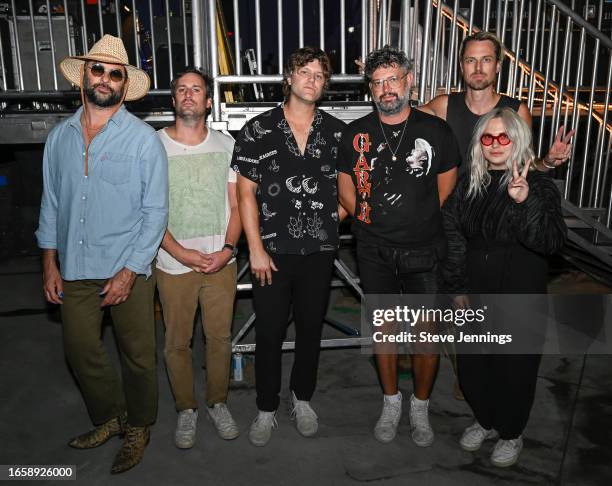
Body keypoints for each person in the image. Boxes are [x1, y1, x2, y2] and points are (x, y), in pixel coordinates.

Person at [36, 35, 168, 474]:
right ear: (85, 75)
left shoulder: (144, 140)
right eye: (98, 69)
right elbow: (52, 203)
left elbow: (155, 213)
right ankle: (111, 417)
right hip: (73, 266)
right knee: (79, 349)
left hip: (127, 265)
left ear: (125, 83)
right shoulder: (59, 138)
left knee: (137, 355)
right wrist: (49, 261)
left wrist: (131, 271)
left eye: (116, 73)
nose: (106, 79)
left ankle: (139, 426)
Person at [337, 46, 460, 447]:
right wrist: (371, 221)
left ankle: (420, 407)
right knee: (384, 332)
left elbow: (444, 186)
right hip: (372, 251)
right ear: (369, 88)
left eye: (393, 79)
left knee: (426, 337)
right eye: (378, 82)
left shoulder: (436, 131)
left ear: (409, 80)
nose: (386, 89)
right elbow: (345, 186)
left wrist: (412, 218)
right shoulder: (356, 133)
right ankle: (391, 402)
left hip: (424, 250)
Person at [232, 46, 346, 447]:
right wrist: (256, 249)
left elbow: (348, 194)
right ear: (289, 78)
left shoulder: (336, 132)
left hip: (319, 253)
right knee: (269, 332)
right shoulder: (257, 129)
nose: (312, 80)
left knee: (311, 329)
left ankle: (303, 398)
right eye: (305, 72)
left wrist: (331, 223)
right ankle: (266, 407)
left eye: (320, 74)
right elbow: (245, 195)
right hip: (272, 254)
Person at [442, 107, 567, 467]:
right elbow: (453, 239)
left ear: (518, 140)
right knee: (473, 366)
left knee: (514, 368)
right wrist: (457, 287)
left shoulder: (538, 185)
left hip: (519, 288)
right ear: (479, 144)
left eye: (504, 137)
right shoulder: (469, 184)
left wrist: (524, 201)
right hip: (475, 288)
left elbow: (552, 242)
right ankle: (485, 420)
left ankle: (511, 432)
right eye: (488, 137)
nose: (495, 145)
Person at [155, 68, 241, 449]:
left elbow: (239, 206)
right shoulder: (152, 147)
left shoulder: (227, 145)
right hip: (173, 265)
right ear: (173, 100)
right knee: (177, 342)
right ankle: (186, 409)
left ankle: (217, 402)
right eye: (181, 89)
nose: (188, 95)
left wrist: (227, 250)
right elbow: (148, 211)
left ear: (209, 102)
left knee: (220, 338)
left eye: (197, 89)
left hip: (221, 264)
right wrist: (180, 252)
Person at [420, 31, 573, 176]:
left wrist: (547, 162)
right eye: (470, 60)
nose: (478, 68)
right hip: (453, 202)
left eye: (486, 60)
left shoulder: (517, 111)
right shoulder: (443, 106)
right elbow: (401, 120)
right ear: (461, 66)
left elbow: (527, 170)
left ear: (498, 65)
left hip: (499, 201)